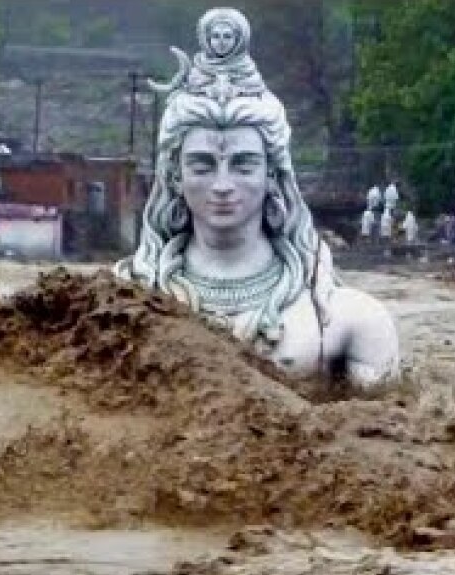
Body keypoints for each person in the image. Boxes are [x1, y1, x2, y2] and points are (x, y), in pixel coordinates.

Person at [117, 8, 399, 386]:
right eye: (202, 166)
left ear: (272, 174)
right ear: (174, 176)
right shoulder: (125, 298)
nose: (222, 184)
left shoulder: (347, 319)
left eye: (243, 165)